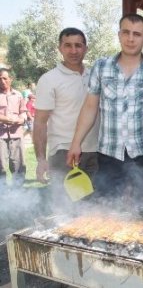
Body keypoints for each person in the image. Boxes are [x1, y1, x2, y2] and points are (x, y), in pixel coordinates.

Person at [67, 14, 143, 215]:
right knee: (106, 209)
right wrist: (76, 142)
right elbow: (90, 107)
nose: (131, 39)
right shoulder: (101, 67)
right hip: (109, 153)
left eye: (137, 34)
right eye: (126, 32)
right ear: (119, 35)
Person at [34, 28, 99, 210]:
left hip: (95, 153)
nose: (73, 50)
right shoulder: (49, 79)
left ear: (86, 48)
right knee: (67, 212)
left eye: (78, 45)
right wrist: (40, 159)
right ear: (60, 48)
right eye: (68, 45)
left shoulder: (96, 76)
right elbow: (40, 122)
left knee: (97, 211)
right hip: (64, 155)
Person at [0, 68, 27, 188]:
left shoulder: (18, 95)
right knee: (1, 166)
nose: (2, 81)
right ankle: (3, 194)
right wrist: (8, 119)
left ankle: (18, 194)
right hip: (1, 136)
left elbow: (23, 111)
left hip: (16, 135)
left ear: (11, 79)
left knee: (18, 165)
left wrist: (22, 119)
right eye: (0, 79)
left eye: (5, 78)